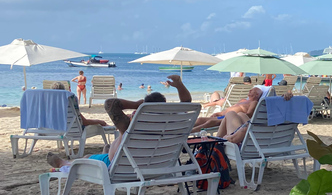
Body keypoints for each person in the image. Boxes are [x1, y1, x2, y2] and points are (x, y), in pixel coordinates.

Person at [47, 75, 189, 172]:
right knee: (107, 151)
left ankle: (63, 164)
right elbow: (187, 104)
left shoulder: (133, 125)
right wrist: (180, 85)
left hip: (124, 166)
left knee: (86, 158)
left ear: (142, 108)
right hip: (158, 165)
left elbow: (110, 104)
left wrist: (137, 105)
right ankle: (107, 150)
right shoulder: (172, 122)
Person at [213, 87, 294, 145]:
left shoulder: (263, 120)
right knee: (240, 114)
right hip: (267, 142)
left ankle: (215, 144)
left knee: (230, 114)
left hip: (247, 143)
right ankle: (216, 142)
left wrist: (226, 137)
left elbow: (233, 139)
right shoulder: (284, 124)